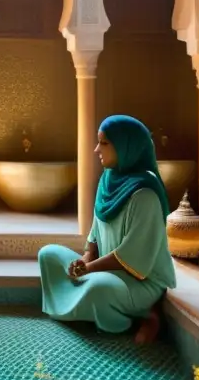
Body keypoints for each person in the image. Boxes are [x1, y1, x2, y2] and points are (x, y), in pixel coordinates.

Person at [38, 114, 177, 344]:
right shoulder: (107, 181)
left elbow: (132, 257)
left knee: (98, 288)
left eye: (104, 143)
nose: (96, 150)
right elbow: (94, 237)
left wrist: (88, 269)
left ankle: (144, 315)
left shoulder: (145, 195)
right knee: (48, 255)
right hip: (104, 270)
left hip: (139, 281)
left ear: (125, 147)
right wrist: (84, 260)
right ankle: (91, 309)